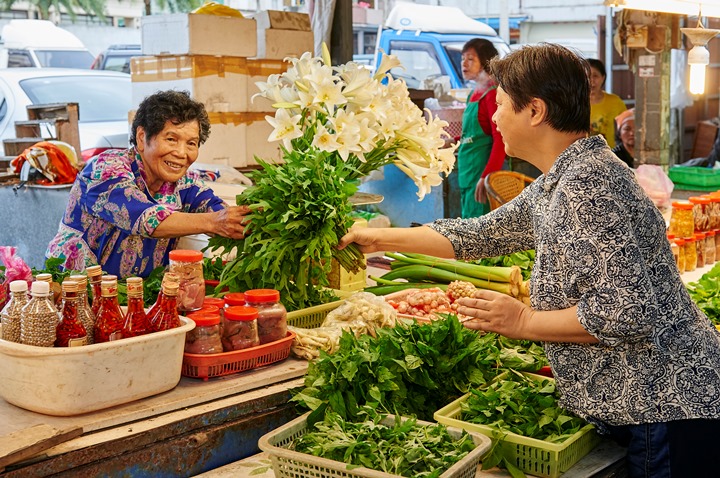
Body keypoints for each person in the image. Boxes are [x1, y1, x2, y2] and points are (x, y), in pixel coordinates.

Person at [339, 44, 720, 477]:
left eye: (501, 105)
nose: (495, 118)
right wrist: (376, 238)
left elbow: (626, 312)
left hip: (665, 405)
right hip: (650, 404)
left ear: (535, 110)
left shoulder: (588, 186)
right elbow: (482, 234)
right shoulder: (567, 175)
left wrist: (523, 322)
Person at [46, 90, 250, 278]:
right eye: (171, 139)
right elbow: (143, 218)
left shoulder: (185, 183)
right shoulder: (106, 169)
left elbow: (215, 208)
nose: (181, 153)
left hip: (133, 296)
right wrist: (214, 222)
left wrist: (244, 221)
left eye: (191, 144)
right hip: (73, 289)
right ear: (142, 138)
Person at [456, 38, 506, 218]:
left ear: (485, 62)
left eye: (470, 59)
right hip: (467, 176)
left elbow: (500, 139)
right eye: (463, 58)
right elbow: (474, 134)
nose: (464, 64)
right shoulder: (473, 94)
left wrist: (487, 177)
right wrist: (452, 141)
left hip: (480, 177)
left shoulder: (492, 93)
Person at [588, 58, 627, 149]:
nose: (591, 81)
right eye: (587, 76)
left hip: (609, 155)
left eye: (595, 76)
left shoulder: (615, 102)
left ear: (603, 77)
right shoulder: (573, 103)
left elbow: (627, 127)